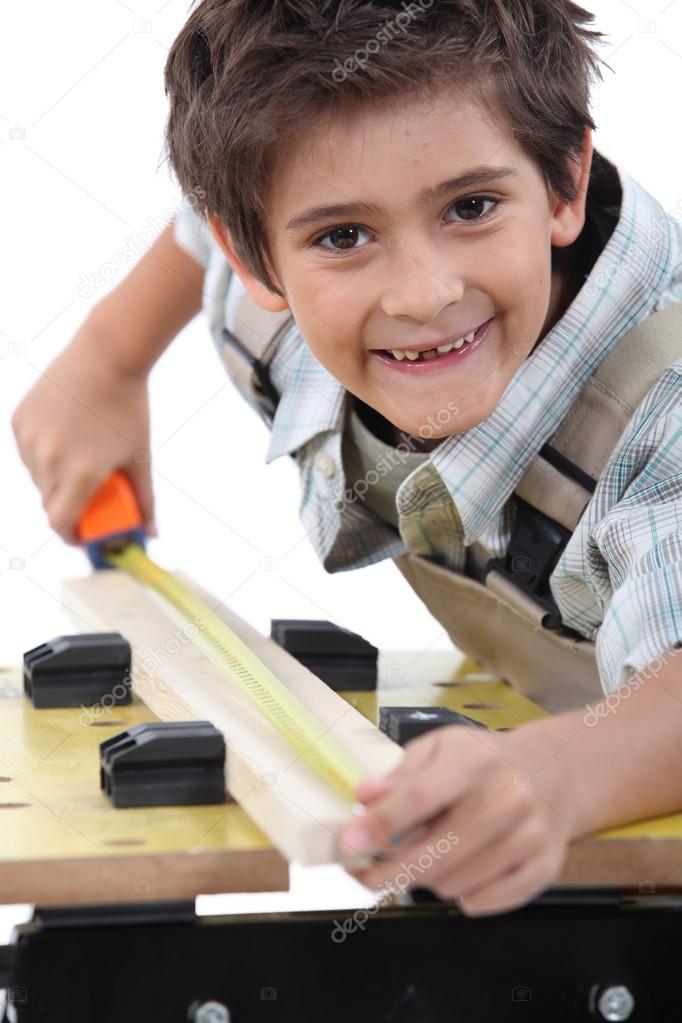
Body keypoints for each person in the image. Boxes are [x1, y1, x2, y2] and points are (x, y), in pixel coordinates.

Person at [12, 0, 682, 916]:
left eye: (471, 207)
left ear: (567, 184)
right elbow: (214, 206)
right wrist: (107, 356)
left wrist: (552, 776)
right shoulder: (268, 306)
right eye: (343, 236)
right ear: (253, 257)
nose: (422, 295)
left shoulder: (662, 419)